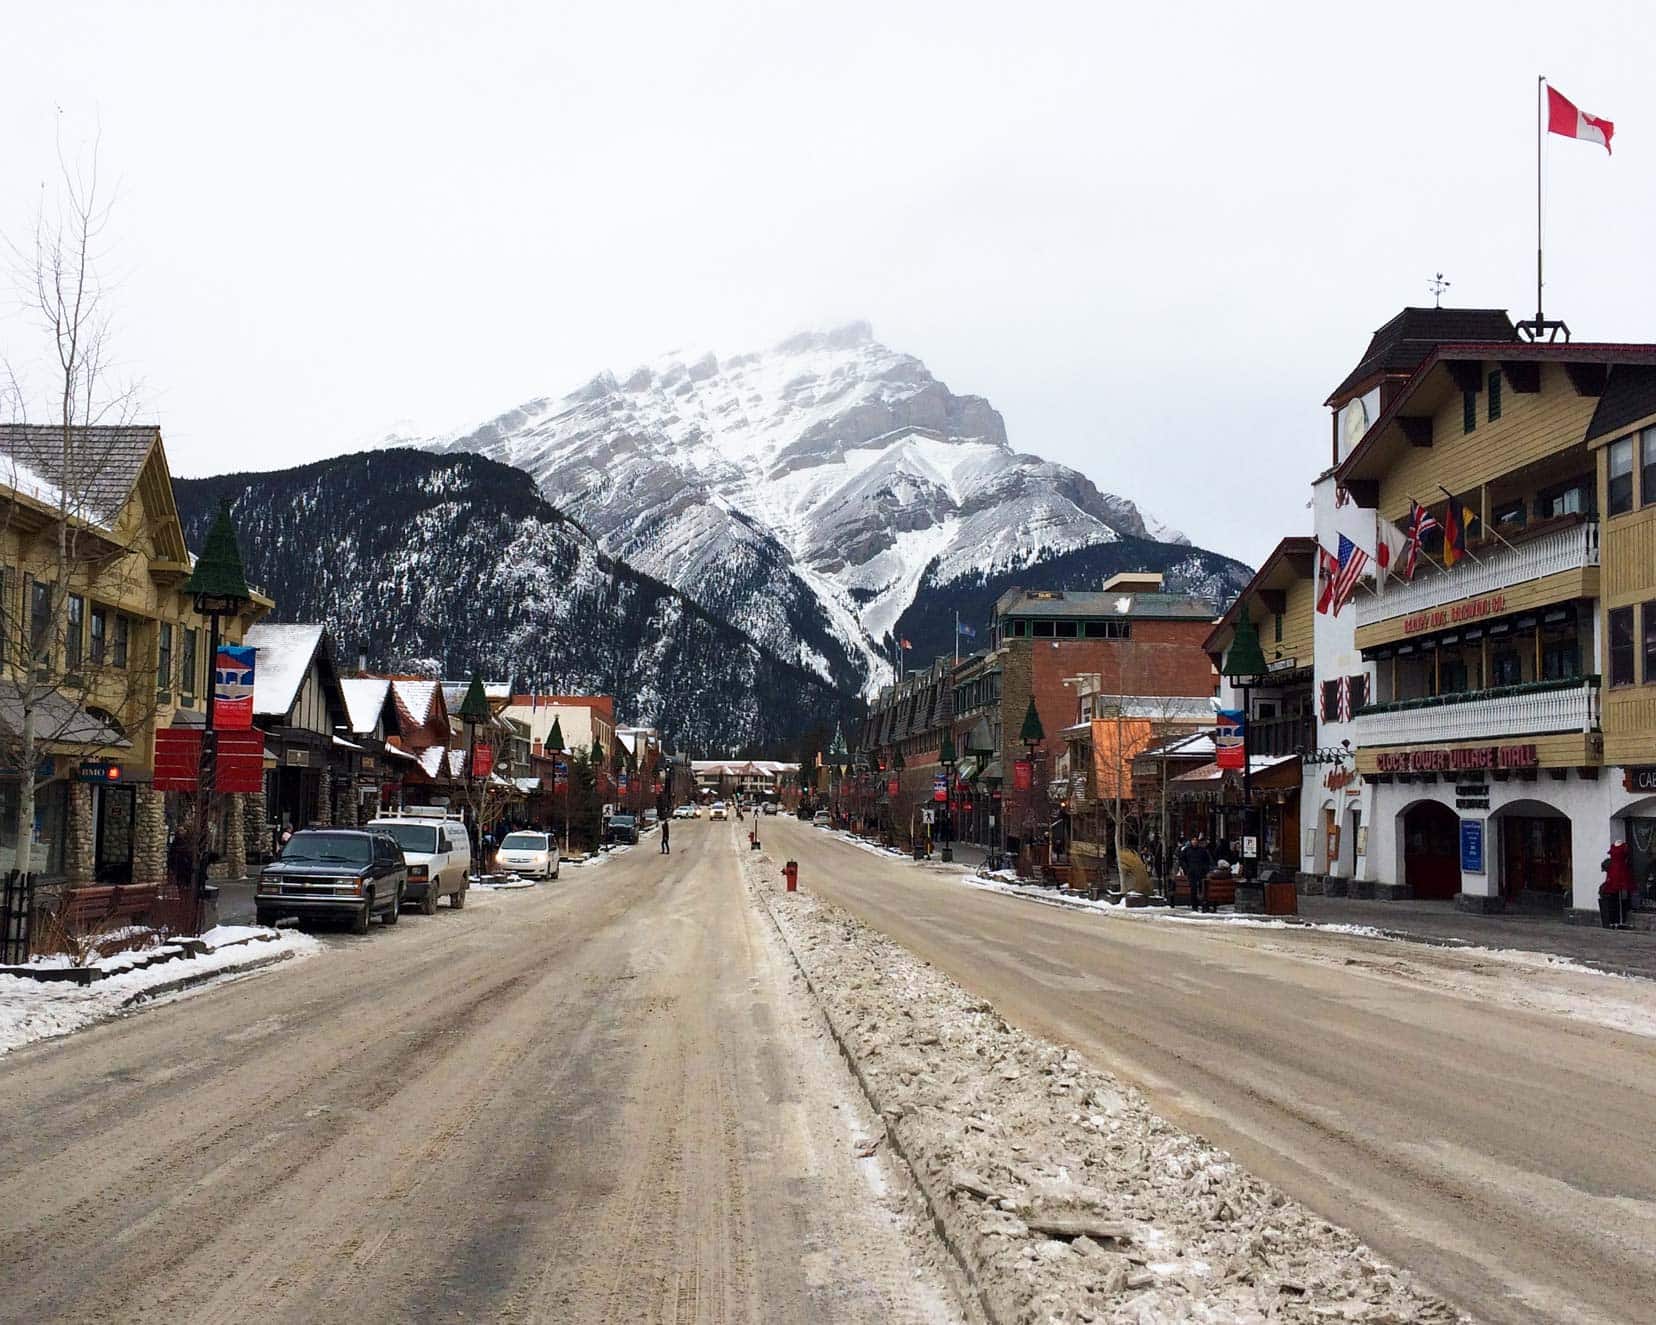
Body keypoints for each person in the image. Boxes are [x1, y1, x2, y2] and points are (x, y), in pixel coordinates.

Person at [1601, 840, 1635, 929]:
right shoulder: (1613, 846)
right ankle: (1614, 920)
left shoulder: (1624, 846)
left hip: (1621, 870)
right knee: (1613, 894)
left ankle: (1621, 919)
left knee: (1621, 893)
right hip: (1613, 871)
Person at [1180, 834, 1214, 911]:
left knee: (1202, 889)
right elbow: (1182, 860)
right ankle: (1194, 905)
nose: (1194, 841)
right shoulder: (1187, 850)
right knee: (1193, 889)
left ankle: (1202, 904)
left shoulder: (1202, 850)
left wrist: (1205, 869)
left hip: (1201, 873)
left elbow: (1207, 861)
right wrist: (1186, 869)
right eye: (1193, 840)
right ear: (1191, 841)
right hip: (1191, 872)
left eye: (1196, 840)